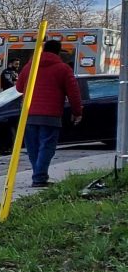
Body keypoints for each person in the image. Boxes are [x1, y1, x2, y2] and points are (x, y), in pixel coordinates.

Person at [17, 39, 83, 187]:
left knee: (33, 148)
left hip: (28, 114)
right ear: (58, 52)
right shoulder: (63, 68)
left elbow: (19, 88)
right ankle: (39, 178)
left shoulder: (30, 67)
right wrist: (77, 112)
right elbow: (74, 93)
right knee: (46, 147)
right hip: (51, 115)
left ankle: (38, 176)